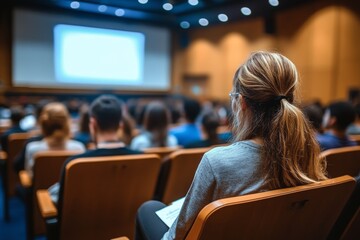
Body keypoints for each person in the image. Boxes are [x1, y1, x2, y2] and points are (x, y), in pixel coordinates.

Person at [135, 51, 327, 240]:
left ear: (241, 102)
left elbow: (179, 235)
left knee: (149, 208)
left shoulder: (217, 161)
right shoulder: (308, 152)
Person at [48, 95, 143, 206]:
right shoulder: (144, 159)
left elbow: (61, 201)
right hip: (130, 223)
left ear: (93, 124)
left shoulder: (75, 164)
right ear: (120, 125)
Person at [24, 102, 85, 178]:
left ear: (43, 124)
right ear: (67, 123)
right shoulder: (79, 148)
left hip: (39, 190)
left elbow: (30, 177)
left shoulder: (33, 149)